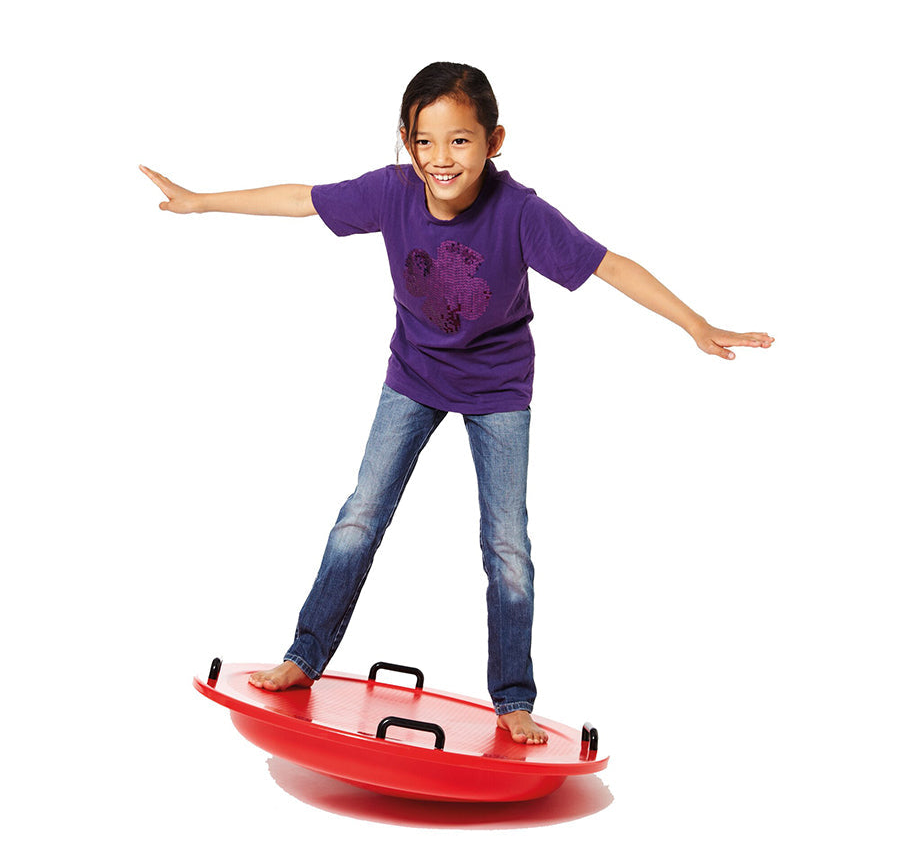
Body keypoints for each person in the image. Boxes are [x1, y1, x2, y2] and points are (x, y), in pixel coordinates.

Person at [141, 62, 773, 745]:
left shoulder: (519, 212)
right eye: (425, 141)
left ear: (494, 140)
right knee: (360, 516)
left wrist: (696, 325)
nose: (441, 158)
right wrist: (200, 201)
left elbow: (609, 265)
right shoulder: (390, 193)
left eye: (460, 141)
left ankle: (513, 699)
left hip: (498, 389)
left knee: (507, 544)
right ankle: (304, 656)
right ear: (407, 141)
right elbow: (301, 198)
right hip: (414, 375)